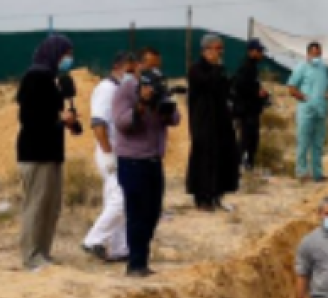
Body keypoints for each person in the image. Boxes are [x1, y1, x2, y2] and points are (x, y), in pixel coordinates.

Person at [111, 47, 183, 278]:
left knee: (152, 212)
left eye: (157, 66)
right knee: (136, 213)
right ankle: (135, 263)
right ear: (139, 66)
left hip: (153, 160)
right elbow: (123, 123)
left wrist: (165, 107)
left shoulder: (160, 87)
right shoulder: (126, 90)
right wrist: (142, 104)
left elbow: (175, 119)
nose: (154, 70)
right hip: (132, 161)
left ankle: (141, 257)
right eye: (150, 66)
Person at [15, 34, 81, 270]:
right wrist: (58, 118)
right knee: (36, 205)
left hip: (52, 151)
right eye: (66, 54)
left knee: (51, 207)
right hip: (35, 152)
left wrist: (70, 121)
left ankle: (43, 252)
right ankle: (31, 255)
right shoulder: (35, 78)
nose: (69, 59)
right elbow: (28, 117)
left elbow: (57, 117)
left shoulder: (54, 80)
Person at [81, 51, 136, 263]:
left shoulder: (120, 90)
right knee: (121, 200)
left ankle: (119, 248)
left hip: (120, 150)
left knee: (114, 200)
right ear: (117, 67)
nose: (132, 76)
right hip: (110, 151)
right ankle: (92, 240)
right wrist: (107, 153)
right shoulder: (106, 89)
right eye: (128, 71)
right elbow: (98, 124)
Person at [186, 35, 241, 212]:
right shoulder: (196, 69)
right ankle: (202, 197)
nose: (220, 53)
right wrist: (216, 69)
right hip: (203, 121)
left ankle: (217, 193)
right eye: (217, 49)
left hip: (220, 121)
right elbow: (206, 83)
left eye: (221, 49)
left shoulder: (219, 69)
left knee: (222, 156)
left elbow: (224, 90)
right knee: (204, 159)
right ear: (207, 50)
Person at [286, 42, 328, 182]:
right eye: (314, 53)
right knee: (304, 142)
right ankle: (301, 172)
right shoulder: (301, 67)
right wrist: (304, 97)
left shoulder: (323, 68)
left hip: (321, 110)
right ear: (308, 53)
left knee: (318, 143)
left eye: (318, 53)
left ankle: (318, 174)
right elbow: (291, 87)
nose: (316, 56)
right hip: (306, 110)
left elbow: (326, 85)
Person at [232, 39, 270, 173]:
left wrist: (262, 93)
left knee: (251, 139)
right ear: (251, 51)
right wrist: (256, 92)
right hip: (246, 110)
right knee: (246, 139)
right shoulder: (246, 67)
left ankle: (247, 164)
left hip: (252, 110)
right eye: (258, 51)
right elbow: (240, 86)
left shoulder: (253, 68)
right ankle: (241, 165)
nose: (261, 54)